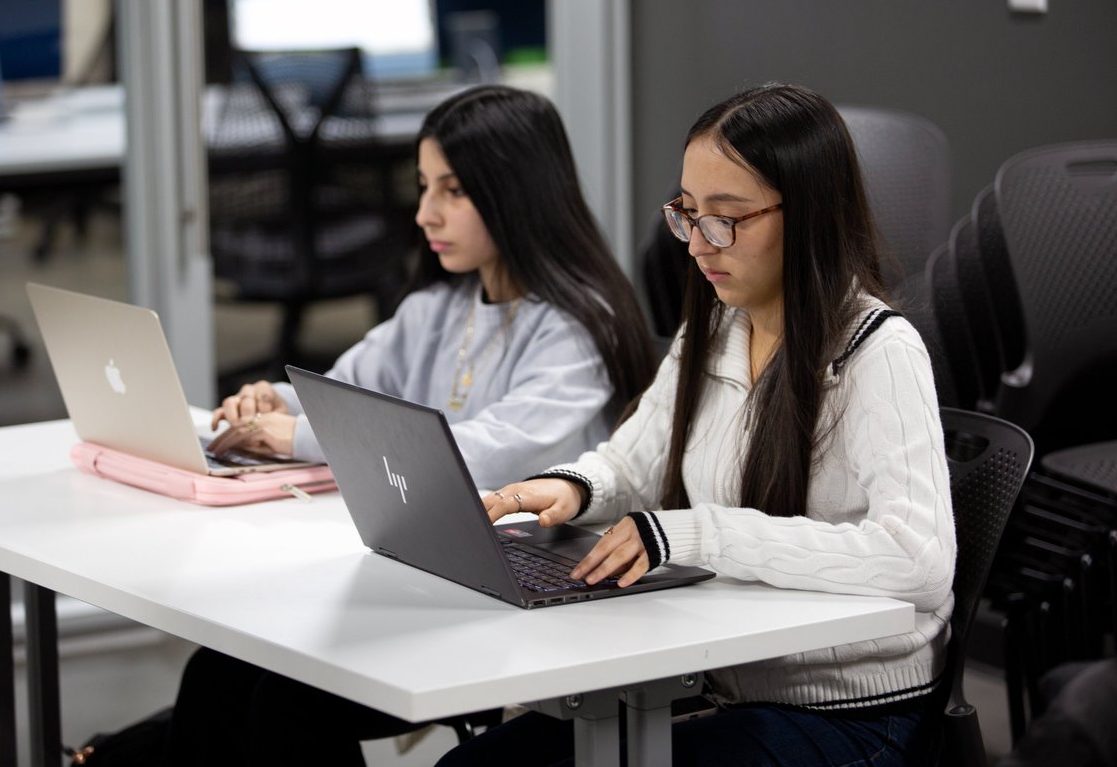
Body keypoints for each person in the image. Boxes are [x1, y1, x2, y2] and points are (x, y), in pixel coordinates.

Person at [438, 83, 957, 766]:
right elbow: (631, 463)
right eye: (688, 214)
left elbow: (918, 561)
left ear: (806, 216)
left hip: (850, 713)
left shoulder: (878, 353)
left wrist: (702, 534)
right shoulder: (714, 328)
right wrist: (569, 488)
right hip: (724, 682)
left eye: (728, 218)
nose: (698, 244)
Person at [166, 84, 657, 766]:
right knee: (219, 673)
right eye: (424, 186)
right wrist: (276, 405)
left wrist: (298, 437)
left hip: (519, 601)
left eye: (452, 191)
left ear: (515, 192)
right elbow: (346, 394)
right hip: (430, 575)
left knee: (288, 702)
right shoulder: (438, 307)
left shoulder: (576, 329)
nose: (425, 212)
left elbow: (477, 456)